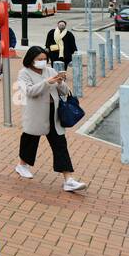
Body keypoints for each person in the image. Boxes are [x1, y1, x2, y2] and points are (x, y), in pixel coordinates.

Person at [15, 46, 87, 192]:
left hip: (54, 114)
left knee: (60, 144)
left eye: (44, 59)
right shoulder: (23, 73)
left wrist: (60, 82)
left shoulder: (50, 70)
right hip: (35, 113)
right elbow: (29, 92)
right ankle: (22, 165)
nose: (43, 62)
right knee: (30, 139)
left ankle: (69, 179)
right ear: (31, 59)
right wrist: (48, 82)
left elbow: (65, 91)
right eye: (39, 59)